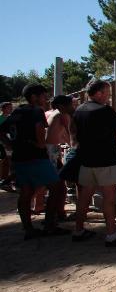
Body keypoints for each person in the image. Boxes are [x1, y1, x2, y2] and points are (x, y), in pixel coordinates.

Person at [0, 84, 68, 239]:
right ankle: (50, 225)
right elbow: (39, 128)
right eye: (43, 96)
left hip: (19, 158)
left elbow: (1, 130)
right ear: (34, 97)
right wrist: (40, 143)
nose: (46, 99)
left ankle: (28, 229)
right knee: (57, 187)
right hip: (37, 157)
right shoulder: (36, 111)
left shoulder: (17, 112)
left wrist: (10, 145)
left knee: (26, 192)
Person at [72, 80, 116, 247]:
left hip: (86, 161)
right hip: (106, 161)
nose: (108, 96)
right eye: (107, 92)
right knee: (109, 199)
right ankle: (112, 235)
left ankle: (78, 230)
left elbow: (76, 132)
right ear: (98, 93)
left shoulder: (79, 110)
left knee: (84, 197)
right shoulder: (104, 110)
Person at [45, 95, 74, 220]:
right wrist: (74, 147)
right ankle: (55, 216)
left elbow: (61, 134)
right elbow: (69, 134)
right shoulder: (62, 115)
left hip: (51, 150)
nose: (72, 107)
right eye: (71, 105)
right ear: (62, 106)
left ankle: (57, 213)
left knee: (58, 185)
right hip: (51, 151)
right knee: (57, 187)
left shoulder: (54, 114)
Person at [0, 102, 13, 189]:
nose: (11, 109)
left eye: (11, 107)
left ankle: (6, 180)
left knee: (7, 161)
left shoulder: (10, 118)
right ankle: (4, 179)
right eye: (9, 108)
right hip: (2, 143)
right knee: (5, 161)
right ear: (3, 109)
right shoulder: (1, 118)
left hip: (8, 142)